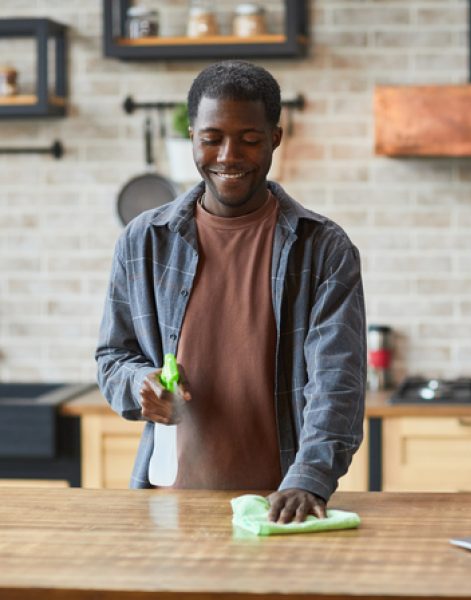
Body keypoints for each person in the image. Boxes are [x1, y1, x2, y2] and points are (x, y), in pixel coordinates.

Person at [95, 60, 366, 524]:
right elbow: (113, 356)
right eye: (212, 138)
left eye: (249, 139)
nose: (228, 155)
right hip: (167, 502)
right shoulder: (144, 240)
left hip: (280, 504)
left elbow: (337, 385)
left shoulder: (323, 248)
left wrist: (308, 480)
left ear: (275, 139)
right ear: (193, 137)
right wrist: (139, 384)